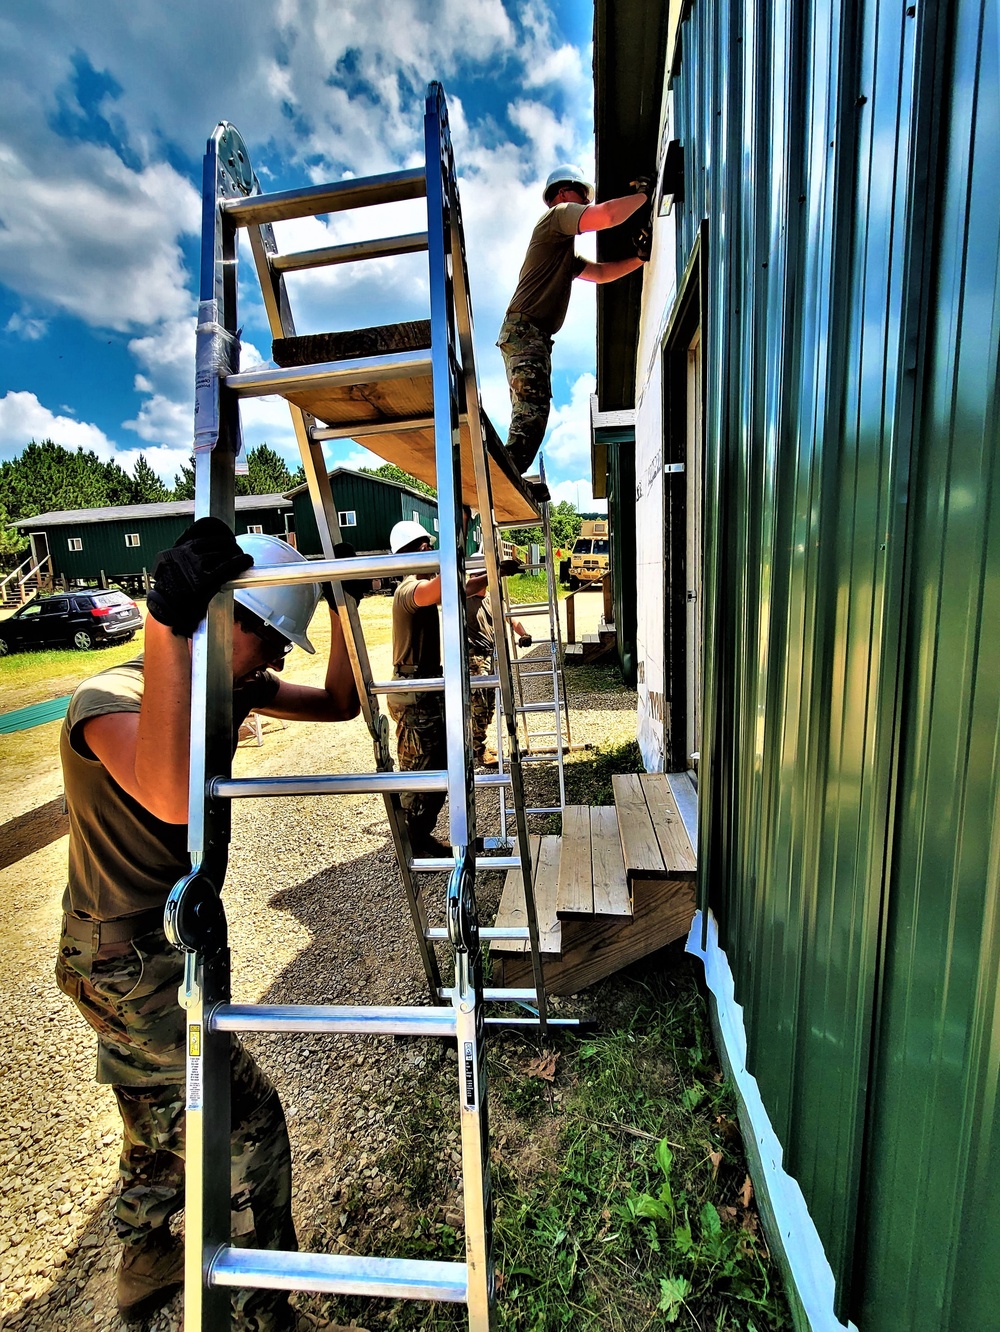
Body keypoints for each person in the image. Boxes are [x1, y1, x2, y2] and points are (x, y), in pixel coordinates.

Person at [55, 519, 360, 1329]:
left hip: (158, 946)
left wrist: (348, 608)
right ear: (228, 622)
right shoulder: (109, 702)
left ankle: (145, 1258)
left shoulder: (228, 686)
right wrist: (164, 620)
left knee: (157, 1115)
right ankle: (269, 1309)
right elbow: (171, 793)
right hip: (125, 959)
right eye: (273, 642)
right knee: (248, 1122)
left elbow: (339, 702)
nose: (278, 662)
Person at [499, 164, 651, 476]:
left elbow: (601, 273)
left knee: (530, 413)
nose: (584, 203)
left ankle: (504, 471)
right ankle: (503, 473)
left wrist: (639, 258)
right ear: (566, 192)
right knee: (531, 413)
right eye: (583, 196)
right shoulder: (558, 216)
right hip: (526, 332)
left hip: (527, 334)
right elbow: (606, 216)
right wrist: (646, 195)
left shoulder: (561, 252)